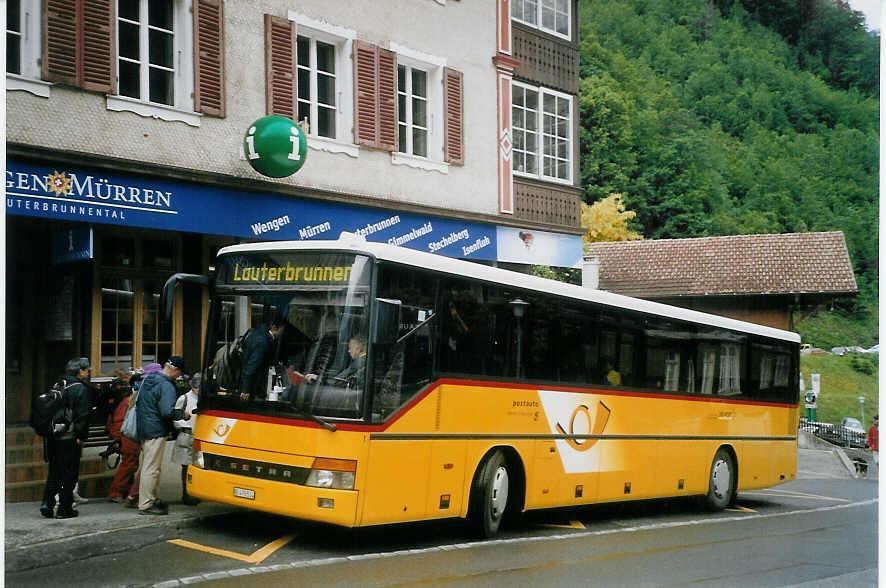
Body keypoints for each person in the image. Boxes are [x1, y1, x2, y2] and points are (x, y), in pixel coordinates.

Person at [40, 357, 91, 519]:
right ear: (80, 371)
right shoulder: (80, 388)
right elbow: (82, 415)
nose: (88, 372)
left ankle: (47, 504)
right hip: (69, 436)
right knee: (69, 473)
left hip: (53, 435)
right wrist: (81, 435)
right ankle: (64, 508)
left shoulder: (58, 384)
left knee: (54, 471)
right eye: (86, 369)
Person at [136, 356, 186, 515]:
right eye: (179, 374)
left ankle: (152, 498)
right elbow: (166, 411)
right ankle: (146, 503)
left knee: (149, 466)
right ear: (176, 370)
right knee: (151, 468)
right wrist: (182, 414)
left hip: (144, 427)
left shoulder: (150, 379)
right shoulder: (166, 385)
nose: (178, 377)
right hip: (156, 429)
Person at [123, 363, 162, 508]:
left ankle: (137, 495)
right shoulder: (147, 390)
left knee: (146, 465)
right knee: (148, 466)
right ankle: (135, 495)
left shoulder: (139, 390)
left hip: (140, 432)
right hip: (147, 432)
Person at [105, 373, 141, 503]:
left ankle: (124, 490)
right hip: (128, 437)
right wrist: (117, 439)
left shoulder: (130, 399)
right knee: (129, 464)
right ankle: (116, 492)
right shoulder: (128, 400)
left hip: (128, 436)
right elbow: (119, 421)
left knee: (132, 464)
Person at [240, 316, 286, 400]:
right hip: (253, 387)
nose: (282, 334)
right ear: (274, 328)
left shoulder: (259, 333)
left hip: (251, 383)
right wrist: (245, 389)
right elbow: (252, 365)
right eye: (281, 331)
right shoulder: (263, 342)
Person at [173, 372, 200, 506]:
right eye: (196, 387)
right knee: (186, 467)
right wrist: (185, 425)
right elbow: (175, 416)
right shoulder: (184, 398)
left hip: (198, 436)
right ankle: (186, 494)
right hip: (186, 435)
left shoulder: (203, 399)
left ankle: (195, 493)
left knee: (196, 467)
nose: (198, 390)